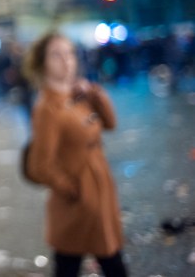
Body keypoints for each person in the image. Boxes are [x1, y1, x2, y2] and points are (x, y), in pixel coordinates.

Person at [22, 32, 128, 277]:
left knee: (76, 262)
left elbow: (110, 123)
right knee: (102, 262)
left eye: (69, 53)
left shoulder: (78, 94)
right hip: (79, 200)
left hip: (100, 192)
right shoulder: (48, 107)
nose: (66, 60)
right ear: (42, 63)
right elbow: (40, 165)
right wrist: (77, 191)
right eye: (56, 55)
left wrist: (93, 93)